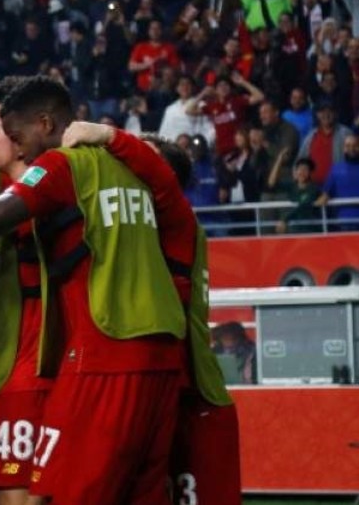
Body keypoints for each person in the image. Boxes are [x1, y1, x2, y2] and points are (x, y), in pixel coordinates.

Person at [0, 75, 186, 505]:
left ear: (43, 124)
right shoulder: (133, 168)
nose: (13, 144)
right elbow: (173, 198)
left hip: (99, 353)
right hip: (164, 353)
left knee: (65, 493)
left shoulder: (61, 166)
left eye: (9, 132)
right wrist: (115, 136)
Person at [59, 123, 242, 505]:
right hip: (162, 389)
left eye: (136, 165)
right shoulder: (145, 229)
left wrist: (104, 134)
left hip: (194, 397)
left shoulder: (177, 221)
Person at [0, 84, 49, 505]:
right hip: (21, 367)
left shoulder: (37, 190)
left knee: (21, 496)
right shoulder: (3, 186)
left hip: (31, 370)